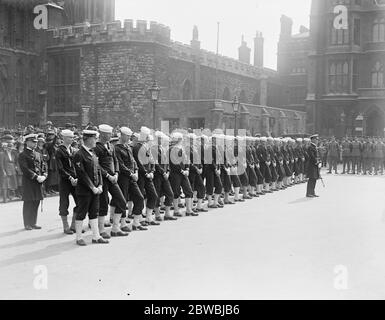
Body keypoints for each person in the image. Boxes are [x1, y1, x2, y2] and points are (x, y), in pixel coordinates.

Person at [73, 127, 108, 246]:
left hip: (96, 189)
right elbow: (81, 174)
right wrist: (92, 187)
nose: (95, 141)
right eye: (94, 139)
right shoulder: (79, 154)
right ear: (86, 139)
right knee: (81, 213)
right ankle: (78, 238)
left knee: (94, 212)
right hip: (85, 190)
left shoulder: (92, 153)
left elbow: (98, 171)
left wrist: (100, 185)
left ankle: (96, 236)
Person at [94, 124, 128, 238]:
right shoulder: (96, 147)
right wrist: (108, 175)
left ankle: (115, 228)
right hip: (103, 179)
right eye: (108, 134)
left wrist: (117, 173)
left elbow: (116, 161)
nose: (110, 135)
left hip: (113, 178)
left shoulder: (111, 146)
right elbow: (97, 165)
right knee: (103, 203)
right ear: (103, 134)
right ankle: (101, 229)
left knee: (122, 201)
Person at [18, 134, 47, 230]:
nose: (35, 144)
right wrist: (36, 176)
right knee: (28, 203)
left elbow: (43, 166)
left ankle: (33, 222)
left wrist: (44, 175)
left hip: (38, 182)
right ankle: (27, 223)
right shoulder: (22, 155)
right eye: (32, 142)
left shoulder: (38, 154)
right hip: (29, 182)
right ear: (26, 142)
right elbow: (25, 169)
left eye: (35, 142)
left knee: (36, 202)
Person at [55, 129, 79, 235]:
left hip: (75, 180)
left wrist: (77, 178)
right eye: (70, 137)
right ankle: (65, 227)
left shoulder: (74, 150)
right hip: (65, 180)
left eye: (72, 137)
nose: (72, 139)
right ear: (64, 138)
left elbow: (77, 166)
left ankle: (74, 225)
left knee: (79, 201)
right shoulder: (59, 151)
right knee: (64, 203)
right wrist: (70, 178)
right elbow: (60, 168)